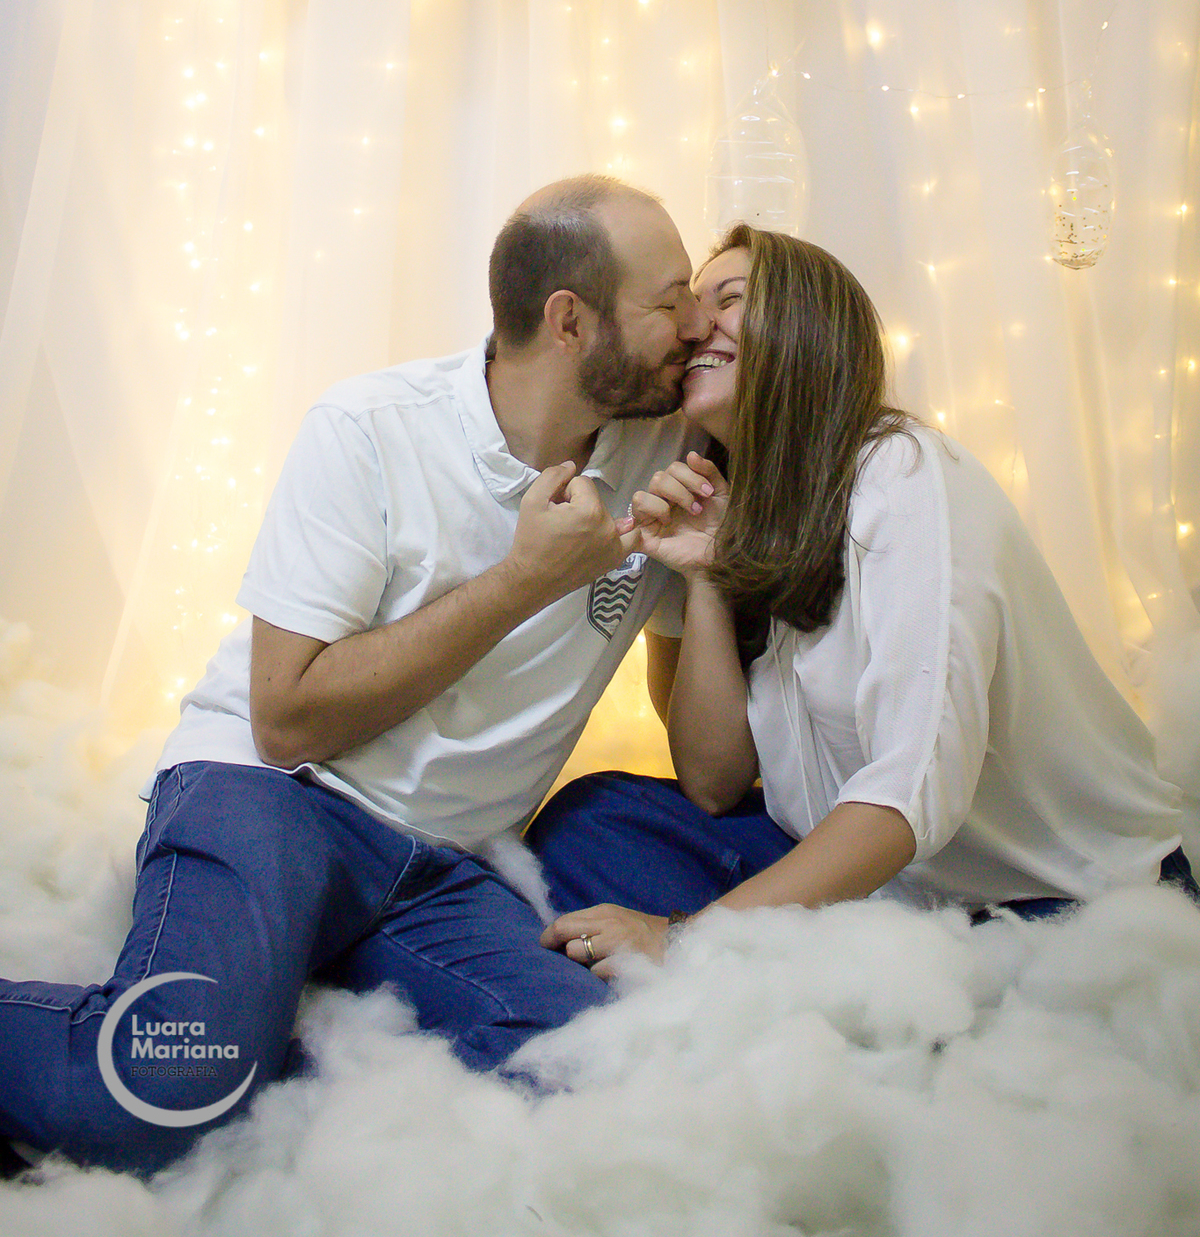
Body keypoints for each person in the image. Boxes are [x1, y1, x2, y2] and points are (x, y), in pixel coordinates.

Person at [0, 176, 711, 1177]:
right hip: (273, 794)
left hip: (442, 867)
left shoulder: (672, 451)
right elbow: (286, 719)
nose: (695, 324)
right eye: (670, 301)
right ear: (569, 322)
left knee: (597, 1078)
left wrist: (715, 575)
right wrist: (525, 581)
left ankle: (263, 1025)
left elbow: (709, 769)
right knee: (165, 1086)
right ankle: (220, 1040)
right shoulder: (370, 427)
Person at [532, 226, 1195, 975]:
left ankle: (733, 960)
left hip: (1044, 903)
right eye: (685, 305)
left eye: (730, 299)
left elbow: (909, 795)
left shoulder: (906, 478)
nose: (693, 326)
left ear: (805, 329)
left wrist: (688, 943)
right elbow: (713, 787)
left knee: (658, 919)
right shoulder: (740, 506)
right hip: (879, 892)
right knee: (594, 819)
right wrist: (709, 578)